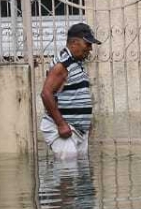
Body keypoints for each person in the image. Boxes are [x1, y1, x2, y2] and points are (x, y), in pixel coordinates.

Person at [40, 23, 100, 160]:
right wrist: (61, 124)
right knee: (67, 174)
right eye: (87, 44)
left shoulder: (76, 64)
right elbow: (46, 93)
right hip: (65, 130)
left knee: (79, 175)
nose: (90, 49)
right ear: (74, 43)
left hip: (77, 130)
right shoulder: (62, 64)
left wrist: (85, 122)